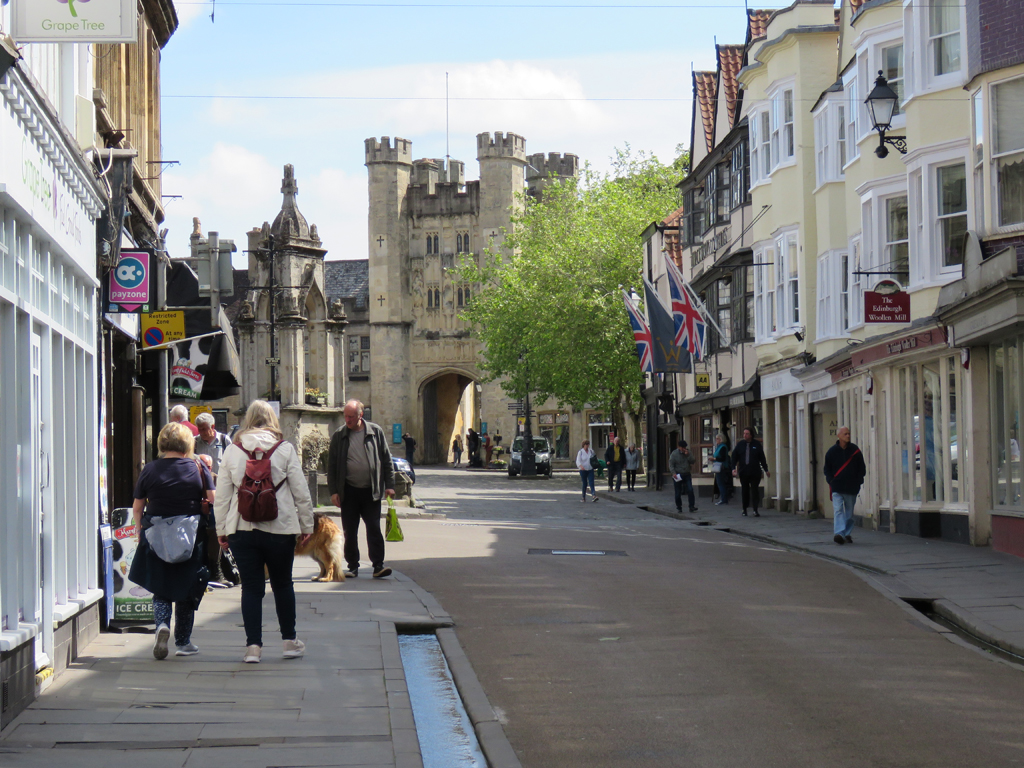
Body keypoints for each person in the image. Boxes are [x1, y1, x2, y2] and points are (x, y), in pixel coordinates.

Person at [214, 400, 315, 664]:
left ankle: (253, 648)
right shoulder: (285, 449)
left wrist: (221, 529)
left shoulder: (233, 451)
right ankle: (289, 641)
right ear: (272, 420)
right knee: (283, 584)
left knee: (251, 587)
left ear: (247, 420)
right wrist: (307, 525)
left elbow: (222, 496)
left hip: (242, 527)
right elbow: (301, 491)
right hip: (280, 528)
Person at [129, 422, 215, 660]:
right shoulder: (198, 466)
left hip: (156, 534)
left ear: (162, 443)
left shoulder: (150, 469)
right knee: (187, 588)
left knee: (161, 586)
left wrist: (139, 529)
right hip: (190, 535)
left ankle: (161, 626)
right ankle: (183, 642)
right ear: (188, 443)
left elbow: (137, 507)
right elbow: (213, 498)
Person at [327, 400, 396, 580]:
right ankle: (352, 566)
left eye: (351, 416)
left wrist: (390, 485)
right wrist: (334, 491)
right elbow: (332, 465)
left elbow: (386, 460)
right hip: (348, 491)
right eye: (345, 416)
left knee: (374, 528)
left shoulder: (375, 432)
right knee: (350, 530)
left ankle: (378, 566)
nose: (347, 420)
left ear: (360, 415)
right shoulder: (339, 435)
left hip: (371, 491)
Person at [195, 413, 233, 585]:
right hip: (202, 493)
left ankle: (220, 568)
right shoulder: (195, 443)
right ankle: (207, 568)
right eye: (199, 429)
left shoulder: (224, 441)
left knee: (219, 528)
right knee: (206, 530)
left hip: (221, 491)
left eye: (204, 429)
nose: (202, 432)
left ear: (212, 427)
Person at [824, 426, 866, 545]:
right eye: (845, 434)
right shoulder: (831, 452)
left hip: (851, 487)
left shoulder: (855, 451)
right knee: (838, 510)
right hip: (837, 486)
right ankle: (839, 534)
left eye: (848, 434)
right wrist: (831, 480)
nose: (848, 436)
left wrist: (858, 481)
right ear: (839, 436)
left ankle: (846, 533)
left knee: (849, 514)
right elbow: (827, 469)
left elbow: (861, 468)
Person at [731, 427, 770, 517]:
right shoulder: (740, 445)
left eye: (747, 434)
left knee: (755, 490)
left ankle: (755, 509)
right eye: (744, 433)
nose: (745, 435)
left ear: (751, 435)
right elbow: (734, 457)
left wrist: (766, 469)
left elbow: (762, 458)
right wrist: (733, 468)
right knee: (745, 491)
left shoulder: (757, 444)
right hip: (743, 471)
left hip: (755, 472)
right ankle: (744, 509)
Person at [669, 439, 697, 513]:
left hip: (687, 474)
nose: (684, 449)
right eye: (682, 447)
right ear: (679, 447)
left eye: (685, 447)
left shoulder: (688, 452)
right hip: (678, 474)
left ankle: (691, 506)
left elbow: (693, 461)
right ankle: (679, 507)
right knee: (678, 492)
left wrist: (688, 455)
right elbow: (671, 464)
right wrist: (673, 473)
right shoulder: (674, 454)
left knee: (690, 490)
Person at [712, 433, 732, 506]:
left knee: (721, 483)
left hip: (721, 467)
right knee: (720, 483)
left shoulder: (723, 447)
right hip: (718, 466)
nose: (716, 440)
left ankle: (724, 499)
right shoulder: (718, 447)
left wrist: (714, 459)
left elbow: (723, 458)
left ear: (721, 439)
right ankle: (723, 498)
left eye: (717, 439)